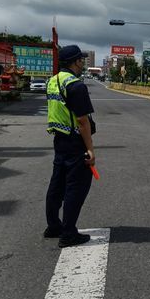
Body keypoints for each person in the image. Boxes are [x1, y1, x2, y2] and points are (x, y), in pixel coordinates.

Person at [44, 45, 96, 248]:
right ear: (75, 62)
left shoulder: (53, 82)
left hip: (59, 139)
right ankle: (68, 234)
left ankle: (53, 226)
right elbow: (83, 121)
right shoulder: (75, 86)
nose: (82, 62)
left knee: (57, 185)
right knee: (76, 187)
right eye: (81, 60)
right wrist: (90, 149)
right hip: (75, 142)